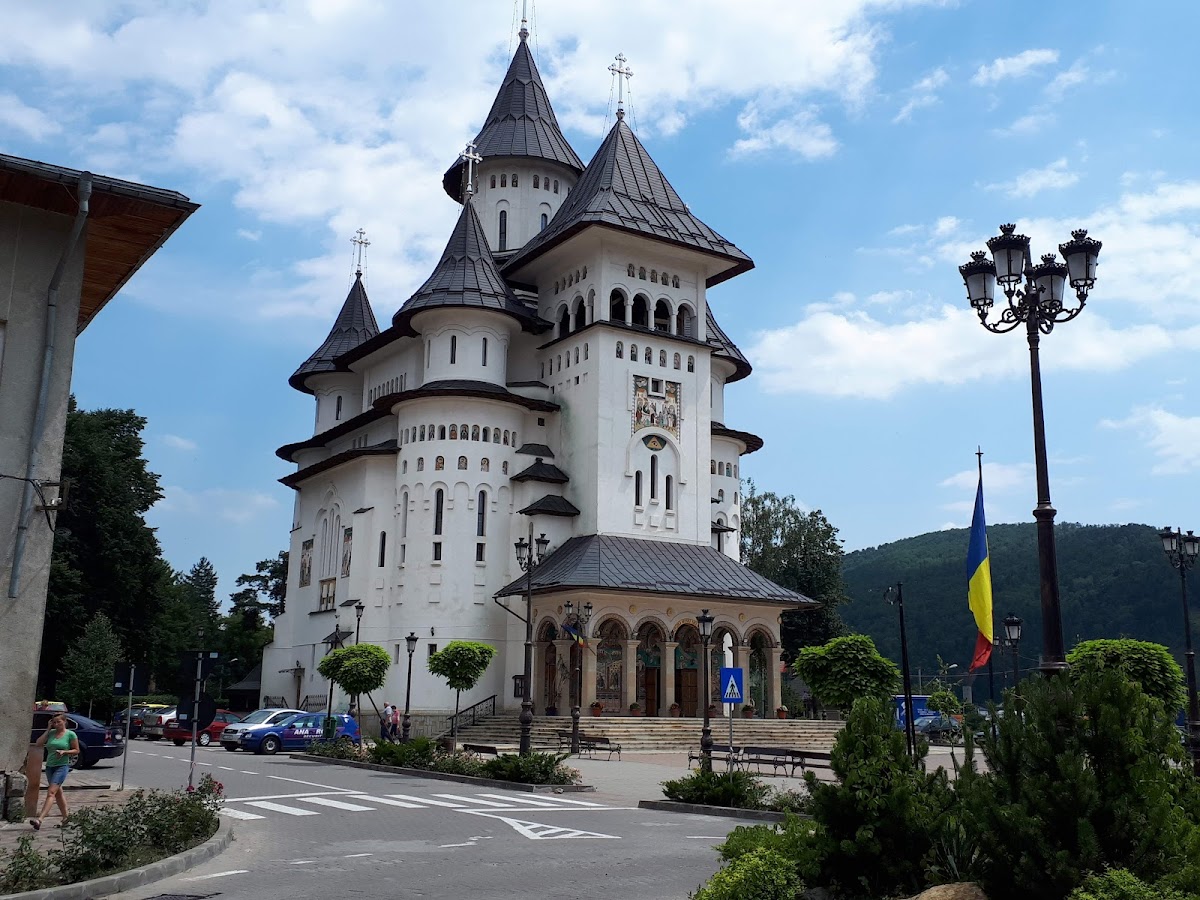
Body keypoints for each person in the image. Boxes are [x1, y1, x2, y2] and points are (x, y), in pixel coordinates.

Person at [31, 714, 79, 830]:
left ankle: (40, 820)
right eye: (54, 722)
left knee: (51, 792)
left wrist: (64, 752)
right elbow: (38, 743)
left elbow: (76, 750)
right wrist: (48, 729)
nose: (56, 724)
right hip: (50, 766)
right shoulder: (51, 733)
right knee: (58, 793)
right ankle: (66, 817)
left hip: (62, 766)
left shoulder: (70, 734)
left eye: (59, 722)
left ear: (64, 721)